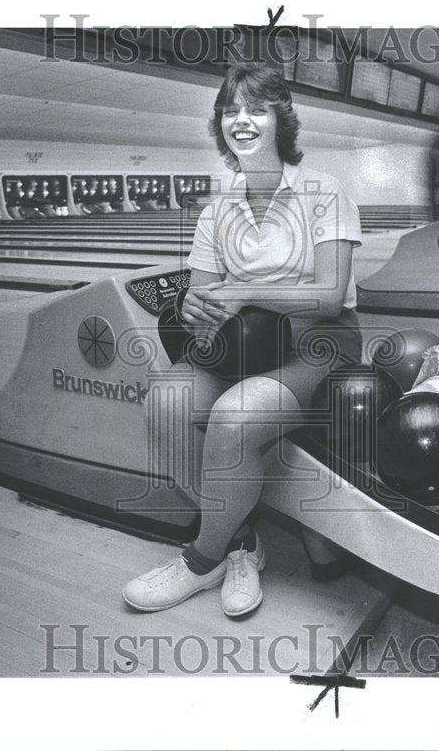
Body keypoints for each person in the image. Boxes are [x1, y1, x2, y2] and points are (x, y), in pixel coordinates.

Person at [122, 63, 363, 617]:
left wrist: (242, 293)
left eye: (256, 108)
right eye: (231, 110)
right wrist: (192, 306)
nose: (242, 120)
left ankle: (199, 562)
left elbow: (328, 297)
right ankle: (241, 545)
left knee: (232, 418)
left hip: (316, 345)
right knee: (166, 401)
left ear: (281, 119)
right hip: (243, 348)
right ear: (220, 126)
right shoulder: (216, 212)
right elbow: (206, 301)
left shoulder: (324, 193)